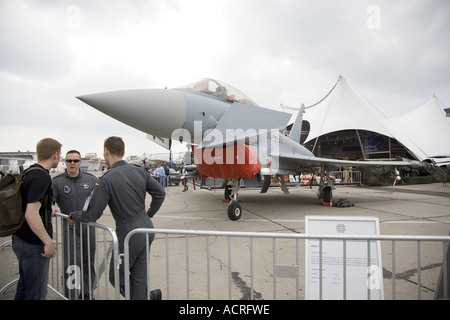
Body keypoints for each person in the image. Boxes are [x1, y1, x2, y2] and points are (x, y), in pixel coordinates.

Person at [68, 137, 166, 300]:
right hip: (146, 228)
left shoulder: (106, 179)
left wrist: (73, 215)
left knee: (116, 277)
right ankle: (146, 296)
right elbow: (160, 193)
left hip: (129, 234)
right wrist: (148, 215)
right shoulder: (140, 171)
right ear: (124, 152)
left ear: (106, 151)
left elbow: (92, 214)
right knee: (139, 278)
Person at [12, 138, 61, 300]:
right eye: (60, 155)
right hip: (32, 244)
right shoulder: (42, 177)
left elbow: (32, 203)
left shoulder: (29, 172)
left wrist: (48, 208)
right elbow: (31, 213)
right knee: (36, 294)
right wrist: (48, 242)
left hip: (20, 237)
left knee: (24, 287)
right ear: (55, 155)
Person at [52, 150, 98, 300]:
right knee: (71, 263)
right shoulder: (57, 182)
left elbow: (100, 200)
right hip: (69, 228)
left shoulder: (91, 180)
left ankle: (86, 293)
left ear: (80, 162)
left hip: (88, 226)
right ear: (65, 162)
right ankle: (70, 296)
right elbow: (50, 201)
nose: (72, 164)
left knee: (87, 261)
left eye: (75, 161)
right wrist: (51, 207)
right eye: (69, 161)